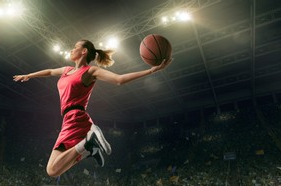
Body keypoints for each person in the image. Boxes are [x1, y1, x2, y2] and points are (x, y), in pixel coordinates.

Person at [14, 39, 172, 177]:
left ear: (84, 51)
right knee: (57, 169)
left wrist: (151, 70)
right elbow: (49, 71)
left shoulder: (90, 71)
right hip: (70, 119)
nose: (71, 49)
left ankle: (89, 142)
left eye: (75, 46)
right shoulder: (66, 70)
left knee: (52, 170)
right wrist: (29, 75)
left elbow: (119, 80)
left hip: (75, 118)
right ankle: (90, 149)